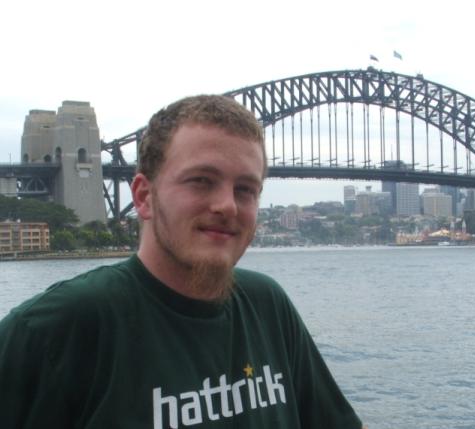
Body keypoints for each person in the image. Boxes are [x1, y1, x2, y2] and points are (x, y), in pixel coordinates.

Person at [0, 95, 365, 428]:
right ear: (143, 196)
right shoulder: (53, 330)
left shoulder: (268, 306)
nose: (227, 205)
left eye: (245, 189)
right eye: (201, 181)